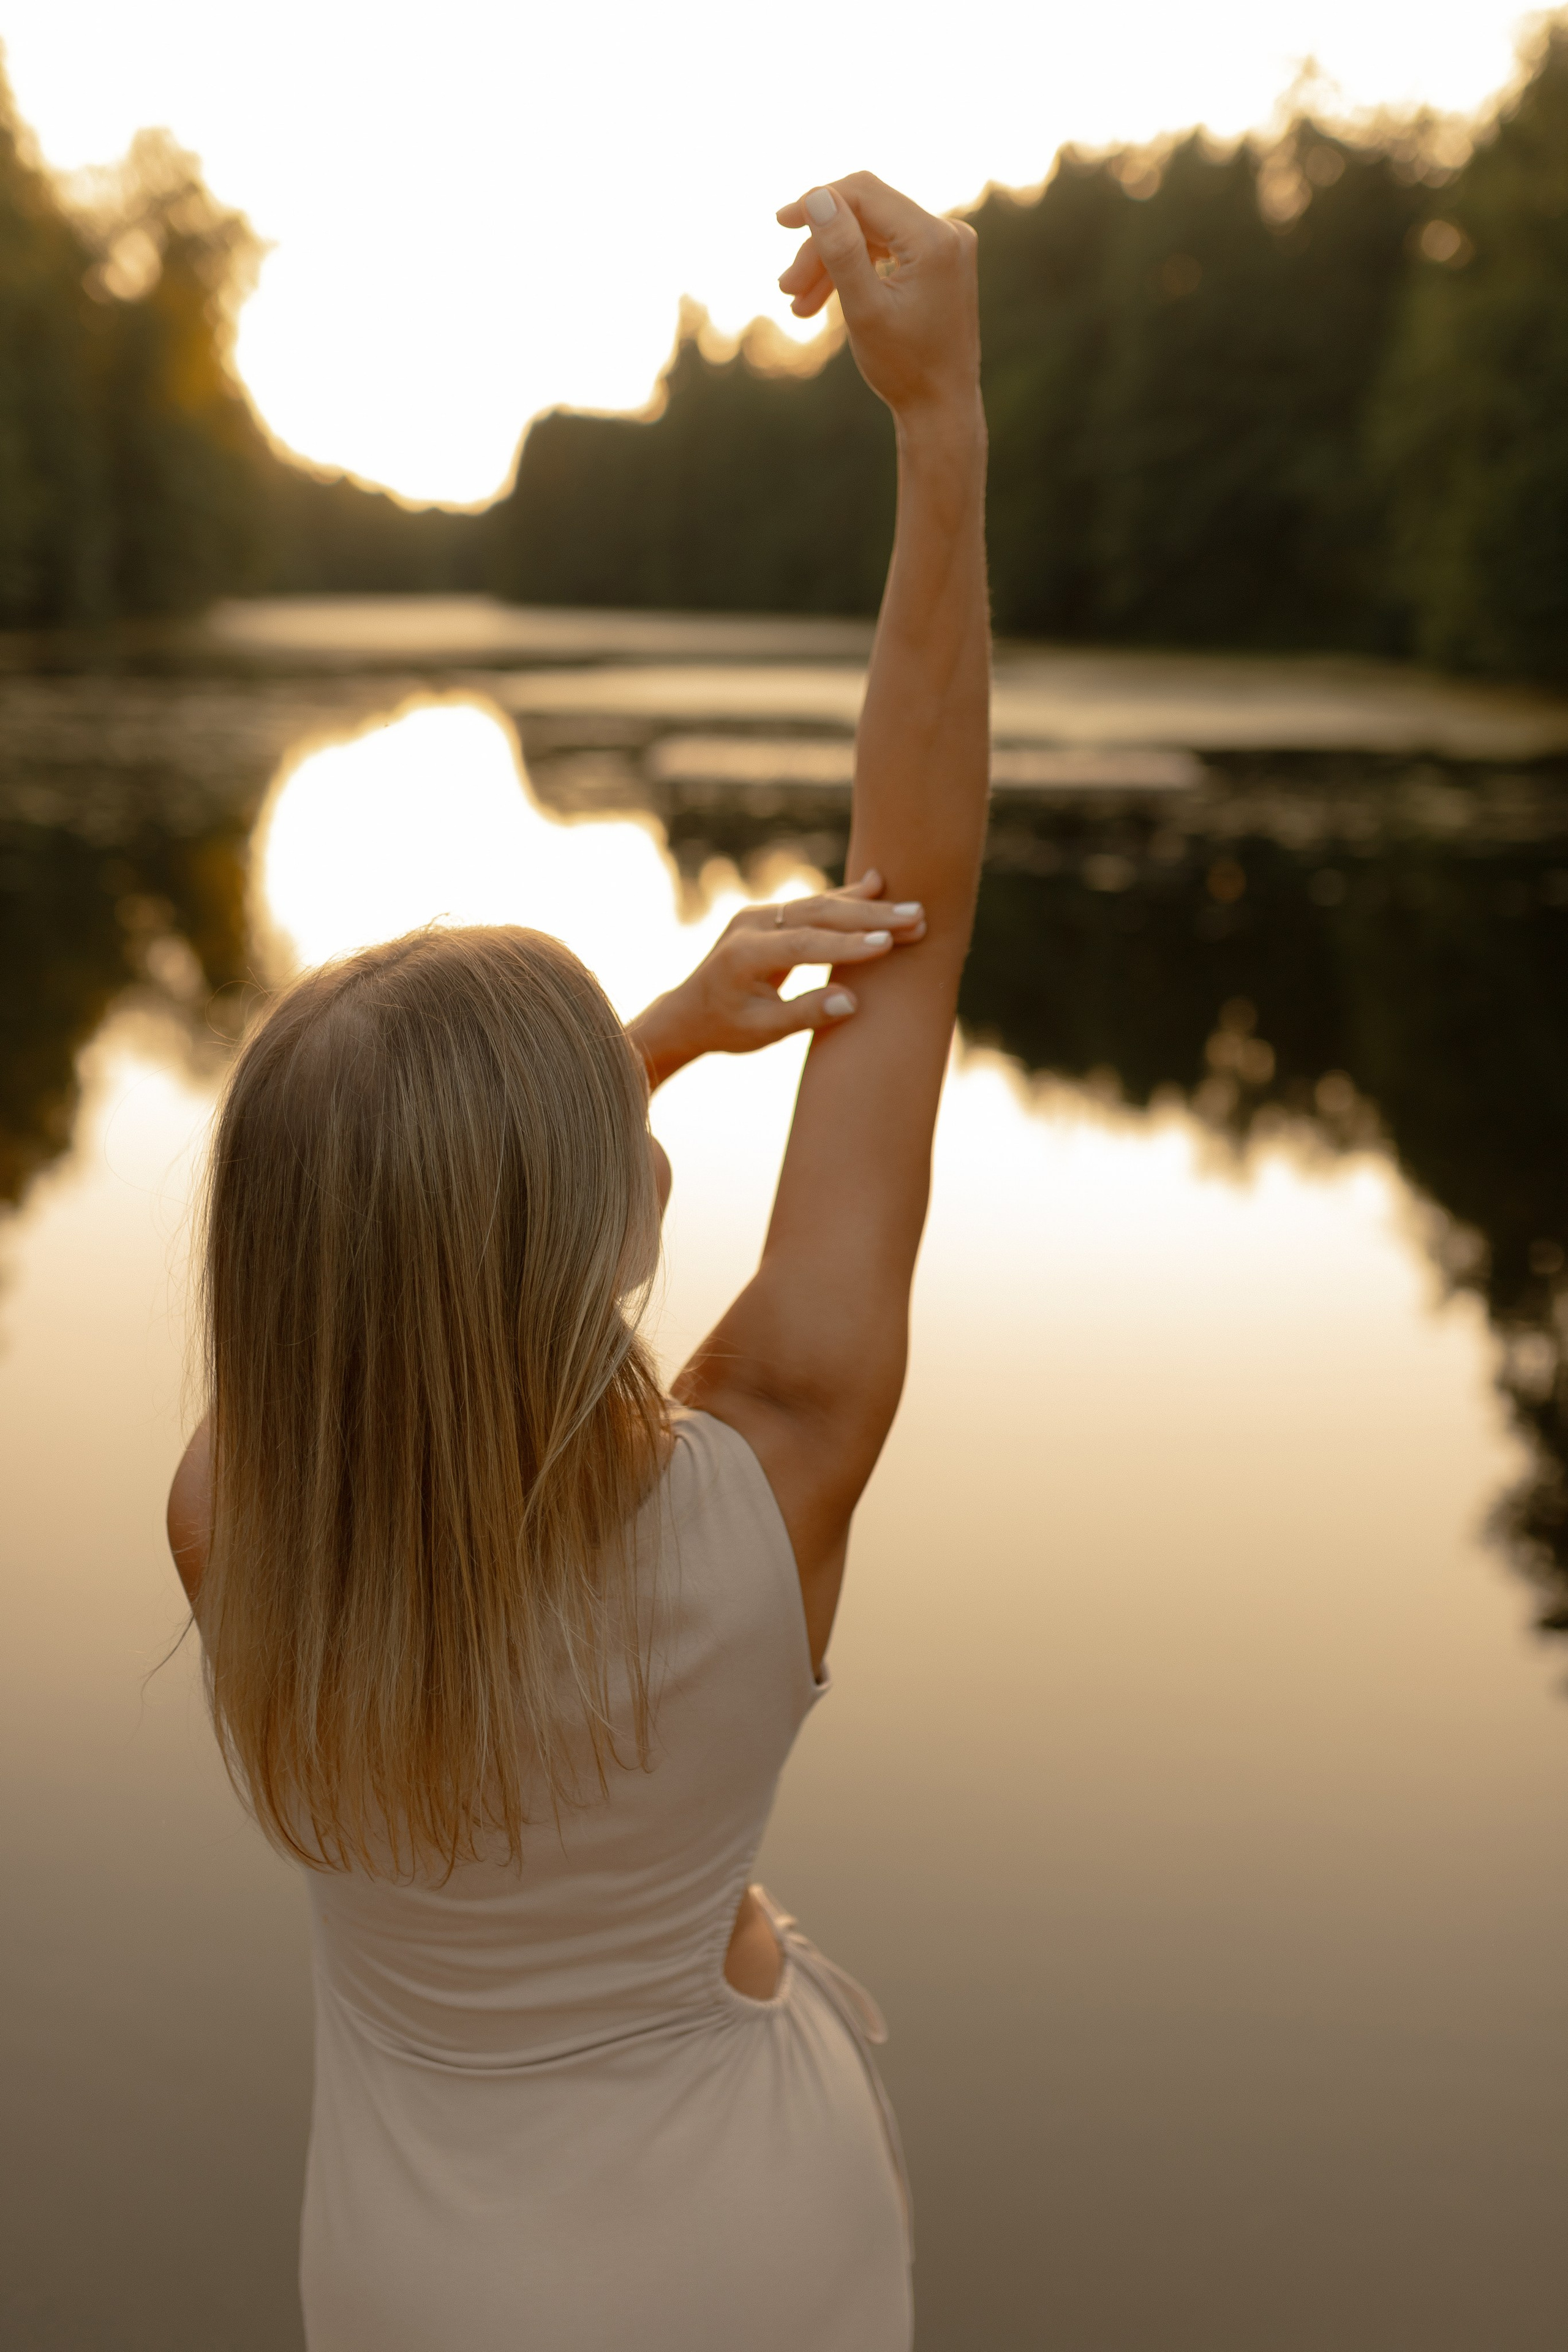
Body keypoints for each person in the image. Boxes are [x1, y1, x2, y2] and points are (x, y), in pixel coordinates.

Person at [168, 171, 988, 2352]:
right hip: (753, 2257)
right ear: (575, 1228)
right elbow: (922, 900)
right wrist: (940, 428)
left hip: (416, 2282)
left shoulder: (240, 1522)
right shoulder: (772, 1473)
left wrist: (629, 1044)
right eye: (605, 1126)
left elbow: (383, 1276)